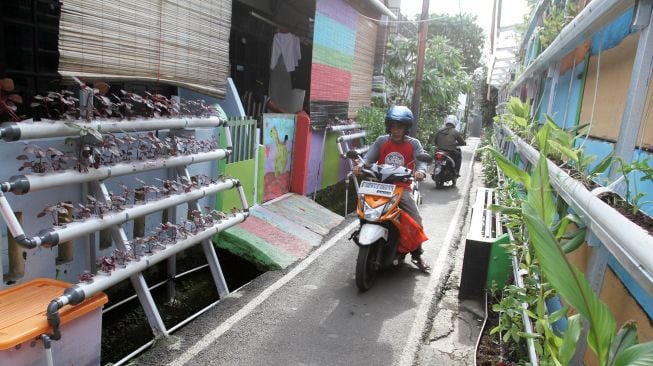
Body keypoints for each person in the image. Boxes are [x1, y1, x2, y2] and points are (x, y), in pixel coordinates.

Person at [352, 105, 431, 272]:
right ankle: (363, 233)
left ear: (406, 128)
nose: (396, 130)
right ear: (389, 126)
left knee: (417, 221)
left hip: (401, 189)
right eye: (393, 126)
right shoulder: (382, 141)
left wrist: (421, 172)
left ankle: (417, 255)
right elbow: (368, 159)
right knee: (363, 210)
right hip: (378, 186)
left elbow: (421, 161)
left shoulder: (413, 144)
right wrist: (360, 165)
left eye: (400, 127)